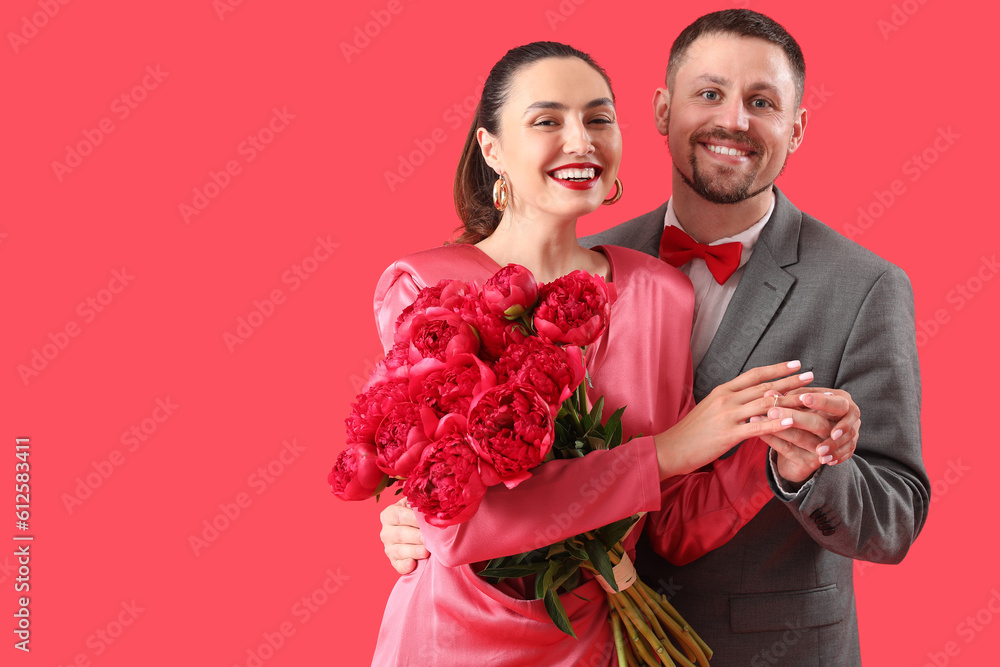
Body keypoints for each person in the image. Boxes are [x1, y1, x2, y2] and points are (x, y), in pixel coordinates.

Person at [379, 10, 929, 666]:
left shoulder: (865, 285)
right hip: (539, 638)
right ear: (663, 113)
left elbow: (893, 518)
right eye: (709, 93)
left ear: (797, 127)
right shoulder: (578, 266)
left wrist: (795, 465)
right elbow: (479, 485)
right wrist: (413, 516)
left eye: (762, 102)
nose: (735, 120)